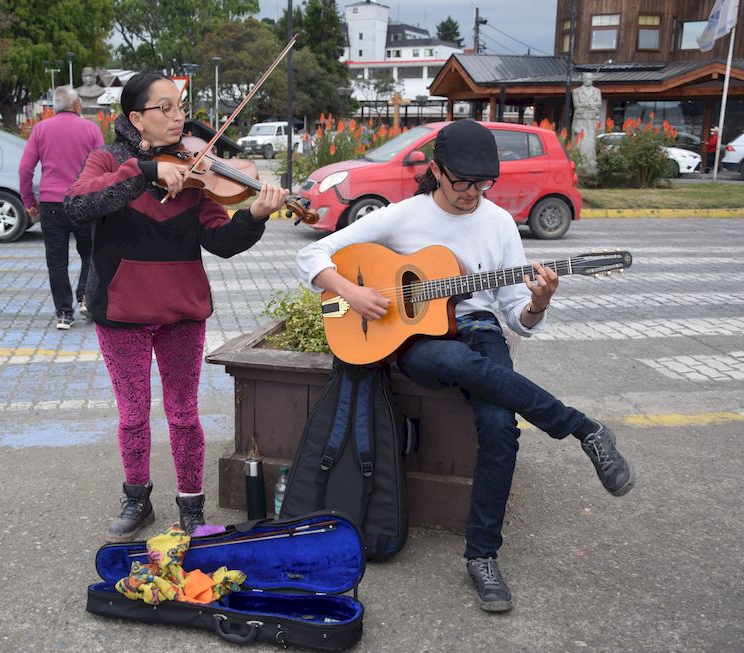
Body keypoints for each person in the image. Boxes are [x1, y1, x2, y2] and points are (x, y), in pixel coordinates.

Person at [295, 119, 635, 613]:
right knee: (452, 356)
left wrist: (538, 301)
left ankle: (482, 557)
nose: (473, 193)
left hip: (478, 329)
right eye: (462, 182)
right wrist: (353, 291)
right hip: (422, 344)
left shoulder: (497, 222)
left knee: (500, 427)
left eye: (483, 183)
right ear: (436, 170)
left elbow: (518, 316)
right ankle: (583, 429)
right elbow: (313, 252)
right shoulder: (402, 216)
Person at [64, 72, 288, 541]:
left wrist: (254, 216)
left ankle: (191, 504)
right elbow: (77, 204)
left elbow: (221, 241)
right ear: (135, 118)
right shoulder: (109, 159)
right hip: (122, 309)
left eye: (179, 106)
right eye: (163, 108)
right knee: (133, 414)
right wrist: (145, 172)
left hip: (182, 308)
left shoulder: (198, 172)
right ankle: (137, 497)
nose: (177, 116)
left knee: (184, 412)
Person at [19, 85, 104, 330]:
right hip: (83, 201)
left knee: (56, 261)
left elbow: (25, 169)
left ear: (53, 107)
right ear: (77, 105)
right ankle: (85, 296)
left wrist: (29, 202)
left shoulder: (40, 129)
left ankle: (64, 313)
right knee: (90, 253)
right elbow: (103, 166)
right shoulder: (90, 129)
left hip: (51, 204)